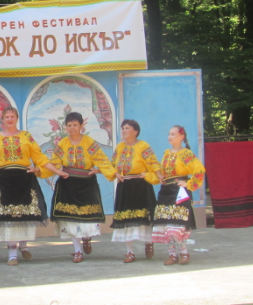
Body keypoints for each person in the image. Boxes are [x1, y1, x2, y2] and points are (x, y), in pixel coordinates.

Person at [0, 106, 52, 266]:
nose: (10, 119)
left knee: (25, 214)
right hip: (3, 181)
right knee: (7, 217)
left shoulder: (26, 136)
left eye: (12, 116)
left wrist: (41, 169)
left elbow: (38, 155)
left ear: (17, 118)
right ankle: (12, 253)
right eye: (6, 117)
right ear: (2, 120)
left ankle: (24, 245)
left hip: (24, 179)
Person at [49, 111, 115, 263]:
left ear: (81, 126)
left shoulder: (89, 143)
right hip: (68, 184)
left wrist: (103, 170)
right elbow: (54, 162)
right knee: (70, 219)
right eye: (69, 125)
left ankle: (86, 237)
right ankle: (77, 251)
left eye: (75, 125)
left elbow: (102, 159)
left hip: (86, 184)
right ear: (65, 127)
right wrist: (52, 170)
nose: (72, 128)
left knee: (86, 217)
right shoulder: (63, 144)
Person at [107, 119, 160, 263]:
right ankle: (129, 252)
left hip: (140, 186)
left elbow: (153, 163)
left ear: (135, 131)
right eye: (123, 128)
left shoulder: (143, 146)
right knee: (125, 219)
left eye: (127, 128)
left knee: (144, 217)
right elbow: (111, 165)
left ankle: (149, 242)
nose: (124, 131)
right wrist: (115, 173)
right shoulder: (119, 147)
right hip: (124, 186)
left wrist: (155, 176)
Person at [152, 125, 205, 266]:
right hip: (165, 192)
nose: (170, 136)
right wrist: (157, 175)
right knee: (165, 226)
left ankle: (184, 253)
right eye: (169, 134)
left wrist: (189, 183)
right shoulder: (167, 153)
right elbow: (160, 170)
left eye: (173, 134)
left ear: (181, 137)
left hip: (179, 192)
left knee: (176, 226)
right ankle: (172, 255)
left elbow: (199, 170)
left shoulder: (185, 154)